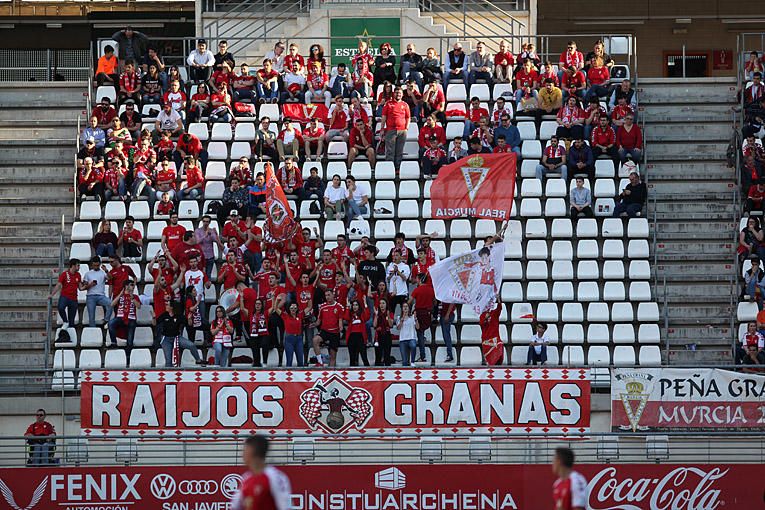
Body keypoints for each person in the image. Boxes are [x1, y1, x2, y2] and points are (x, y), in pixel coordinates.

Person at [231, 435, 291, 510]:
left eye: (244, 450)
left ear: (251, 451)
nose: (242, 454)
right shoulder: (246, 478)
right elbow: (235, 506)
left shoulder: (275, 477)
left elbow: (285, 506)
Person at [158, 301, 205, 367]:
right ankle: (169, 376)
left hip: (177, 337)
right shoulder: (164, 315)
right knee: (168, 361)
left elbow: (189, 324)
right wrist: (153, 318)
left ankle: (198, 360)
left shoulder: (179, 316)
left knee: (191, 345)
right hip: (166, 339)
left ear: (172, 307)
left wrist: (189, 319)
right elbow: (155, 323)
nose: (166, 306)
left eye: (168, 305)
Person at [310, 288, 345, 367]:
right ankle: (320, 362)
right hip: (325, 331)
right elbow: (319, 321)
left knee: (333, 357)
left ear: (333, 295)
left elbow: (340, 320)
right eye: (326, 295)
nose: (327, 297)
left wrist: (340, 326)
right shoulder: (322, 307)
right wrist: (314, 324)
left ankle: (331, 373)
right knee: (315, 340)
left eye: (329, 295)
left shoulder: (339, 307)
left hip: (335, 333)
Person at [108, 280, 140, 354]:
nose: (133, 286)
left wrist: (132, 297)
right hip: (120, 317)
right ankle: (114, 343)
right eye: (131, 285)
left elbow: (138, 306)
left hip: (131, 318)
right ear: (126, 286)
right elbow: (112, 304)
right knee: (111, 323)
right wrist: (120, 294)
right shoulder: (120, 296)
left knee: (130, 339)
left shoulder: (135, 296)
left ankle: (128, 354)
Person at [50, 259, 81, 329]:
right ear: (73, 266)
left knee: (72, 322)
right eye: (78, 265)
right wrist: (52, 295)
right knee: (60, 308)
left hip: (74, 299)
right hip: (65, 296)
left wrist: (88, 285)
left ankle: (71, 338)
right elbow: (58, 285)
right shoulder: (64, 274)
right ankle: (65, 321)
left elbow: (81, 288)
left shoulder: (78, 275)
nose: (79, 267)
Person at [83, 256, 112, 327]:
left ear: (99, 264)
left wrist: (106, 270)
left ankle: (106, 319)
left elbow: (111, 278)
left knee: (111, 304)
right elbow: (84, 287)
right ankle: (93, 330)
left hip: (101, 296)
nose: (96, 266)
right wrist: (90, 285)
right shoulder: (88, 274)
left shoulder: (103, 273)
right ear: (92, 265)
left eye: (97, 265)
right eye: (94, 265)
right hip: (90, 296)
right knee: (91, 315)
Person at [345, 300, 371, 366]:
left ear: (359, 306)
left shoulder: (362, 314)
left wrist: (365, 304)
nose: (355, 307)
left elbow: (367, 316)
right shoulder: (350, 315)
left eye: (356, 305)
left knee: (364, 356)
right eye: (353, 305)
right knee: (352, 358)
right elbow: (346, 317)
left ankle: (368, 374)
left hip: (360, 337)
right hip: (351, 337)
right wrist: (347, 307)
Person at [397, 302, 418, 366]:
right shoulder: (399, 317)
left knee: (413, 346)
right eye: (404, 306)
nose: (405, 308)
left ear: (409, 308)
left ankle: (412, 361)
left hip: (411, 337)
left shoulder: (412, 317)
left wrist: (416, 319)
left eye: (406, 306)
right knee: (404, 361)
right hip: (403, 339)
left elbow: (417, 327)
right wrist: (401, 320)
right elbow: (398, 328)